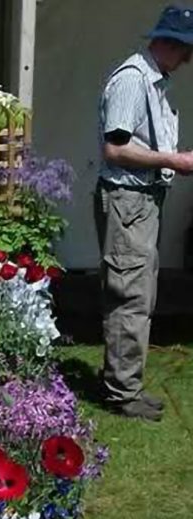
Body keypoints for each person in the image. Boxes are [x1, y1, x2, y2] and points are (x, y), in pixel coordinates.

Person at [96, 6, 193, 421]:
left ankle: (125, 383)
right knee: (129, 297)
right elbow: (115, 148)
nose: (188, 60)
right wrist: (174, 159)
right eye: (186, 50)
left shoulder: (153, 81)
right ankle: (122, 393)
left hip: (141, 202)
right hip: (127, 201)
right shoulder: (133, 81)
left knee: (139, 294)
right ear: (169, 44)